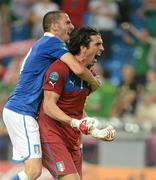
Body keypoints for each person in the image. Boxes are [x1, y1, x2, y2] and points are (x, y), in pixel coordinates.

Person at [2, 11, 100, 180]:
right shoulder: (52, 42)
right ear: (55, 26)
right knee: (33, 170)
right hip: (22, 111)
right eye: (67, 22)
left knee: (34, 171)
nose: (72, 26)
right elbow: (77, 68)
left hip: (23, 111)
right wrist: (95, 82)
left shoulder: (45, 44)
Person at [38, 27, 115, 180]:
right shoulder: (59, 69)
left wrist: (95, 131)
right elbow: (48, 106)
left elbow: (77, 110)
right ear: (83, 47)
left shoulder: (89, 75)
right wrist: (75, 122)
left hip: (73, 139)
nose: (102, 48)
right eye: (97, 44)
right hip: (52, 135)